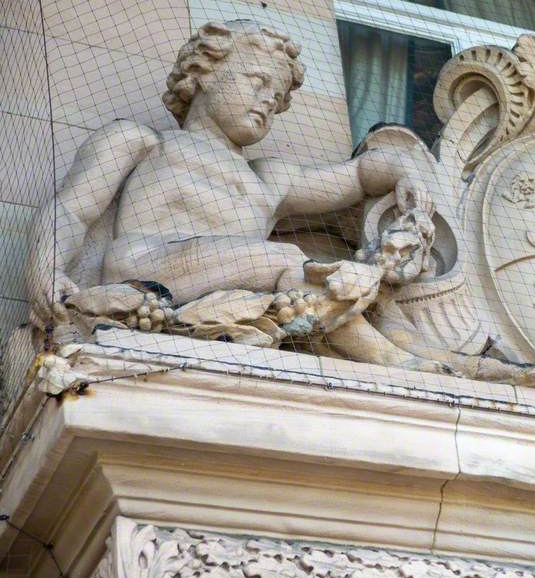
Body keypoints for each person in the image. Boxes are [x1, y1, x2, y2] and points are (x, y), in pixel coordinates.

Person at [25, 20, 436, 370]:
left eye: (276, 98)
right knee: (294, 264)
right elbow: (71, 210)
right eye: (256, 82)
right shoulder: (145, 143)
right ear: (204, 72)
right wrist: (45, 266)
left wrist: (405, 169)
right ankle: (393, 362)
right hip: (145, 269)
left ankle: (430, 360)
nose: (266, 102)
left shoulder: (270, 178)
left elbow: (360, 176)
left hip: (238, 279)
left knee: (357, 290)